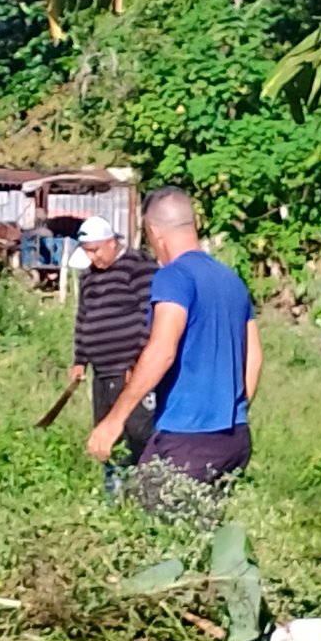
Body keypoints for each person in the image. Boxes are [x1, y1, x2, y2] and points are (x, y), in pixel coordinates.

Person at [86, 187, 263, 485]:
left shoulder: (173, 276)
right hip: (235, 439)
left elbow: (162, 350)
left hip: (187, 438)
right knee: (208, 529)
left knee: (153, 526)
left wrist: (114, 420)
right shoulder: (231, 279)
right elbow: (254, 357)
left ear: (154, 232)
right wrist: (235, 409)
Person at [71, 215, 157, 495]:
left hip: (130, 369)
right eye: (87, 251)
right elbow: (83, 319)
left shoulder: (137, 266)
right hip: (102, 371)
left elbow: (151, 313)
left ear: (111, 242)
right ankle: (114, 494)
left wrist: (140, 362)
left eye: (96, 250)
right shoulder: (89, 278)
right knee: (106, 432)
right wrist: (79, 360)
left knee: (139, 431)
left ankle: (150, 489)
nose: (92, 257)